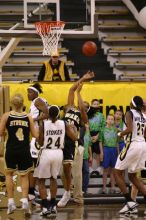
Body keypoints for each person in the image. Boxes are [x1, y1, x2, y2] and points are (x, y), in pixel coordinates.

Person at [57, 71, 94, 208]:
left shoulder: (84, 117)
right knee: (62, 172)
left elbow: (82, 108)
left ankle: (78, 198)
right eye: (81, 102)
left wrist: (79, 93)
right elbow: (71, 89)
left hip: (76, 145)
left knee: (77, 174)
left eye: (84, 104)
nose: (81, 103)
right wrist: (83, 78)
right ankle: (70, 191)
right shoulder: (69, 109)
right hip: (64, 143)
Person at [33, 105, 78, 217]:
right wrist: (74, 129)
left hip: (47, 152)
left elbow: (40, 141)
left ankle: (45, 207)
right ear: (58, 114)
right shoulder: (64, 124)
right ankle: (53, 206)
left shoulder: (44, 124)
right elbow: (74, 138)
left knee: (41, 181)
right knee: (54, 179)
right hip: (58, 153)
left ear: (49, 114)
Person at [0, 94, 39, 215]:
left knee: (9, 174)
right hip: (24, 150)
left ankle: (11, 201)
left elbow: (1, 132)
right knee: (24, 176)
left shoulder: (7, 116)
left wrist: (7, 132)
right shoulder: (28, 117)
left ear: (11, 104)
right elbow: (36, 135)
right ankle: (25, 201)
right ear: (22, 104)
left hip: (11, 149)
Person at [114, 96, 146, 214]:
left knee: (116, 172)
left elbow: (129, 129)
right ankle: (131, 203)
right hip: (142, 145)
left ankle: (129, 202)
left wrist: (119, 134)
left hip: (132, 144)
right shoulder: (143, 115)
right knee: (133, 176)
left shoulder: (129, 113)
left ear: (131, 103)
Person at [27, 83, 49, 200]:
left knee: (33, 163)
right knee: (35, 163)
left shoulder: (37, 100)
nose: (28, 94)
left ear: (35, 93)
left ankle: (31, 190)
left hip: (38, 136)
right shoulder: (37, 101)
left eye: (30, 92)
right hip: (38, 134)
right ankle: (33, 188)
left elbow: (47, 113)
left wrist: (32, 119)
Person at [99, 114, 118, 194]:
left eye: (112, 119)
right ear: (106, 120)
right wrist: (102, 152)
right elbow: (100, 142)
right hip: (106, 149)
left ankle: (113, 187)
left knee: (113, 170)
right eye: (109, 119)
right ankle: (104, 187)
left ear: (114, 121)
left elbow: (117, 142)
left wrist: (119, 152)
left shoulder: (115, 130)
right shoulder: (102, 130)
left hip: (114, 150)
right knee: (106, 169)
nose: (110, 120)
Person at [88, 99, 105, 176]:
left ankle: (98, 168)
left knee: (98, 152)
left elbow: (102, 126)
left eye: (97, 104)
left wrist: (97, 136)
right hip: (89, 134)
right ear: (91, 105)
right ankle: (90, 168)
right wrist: (88, 134)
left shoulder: (101, 115)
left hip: (98, 134)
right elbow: (86, 124)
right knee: (89, 151)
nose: (96, 105)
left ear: (99, 106)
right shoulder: (88, 114)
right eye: (94, 104)